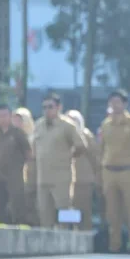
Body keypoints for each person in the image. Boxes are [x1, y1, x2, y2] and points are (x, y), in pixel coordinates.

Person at [99, 90, 130, 252]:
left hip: (129, 171)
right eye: (112, 102)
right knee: (112, 212)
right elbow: (102, 147)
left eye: (118, 102)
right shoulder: (105, 124)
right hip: (109, 172)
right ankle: (115, 244)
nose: (114, 105)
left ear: (125, 104)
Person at [32, 93, 85, 228]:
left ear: (59, 107)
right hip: (43, 177)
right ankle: (47, 243)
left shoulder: (67, 125)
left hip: (62, 177)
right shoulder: (38, 125)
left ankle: (70, 236)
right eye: (44, 107)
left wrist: (67, 157)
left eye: (50, 107)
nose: (47, 110)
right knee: (44, 211)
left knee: (64, 209)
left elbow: (81, 145)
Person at [66, 110, 101, 231]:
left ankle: (85, 234)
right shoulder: (64, 136)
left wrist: (97, 176)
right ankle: (71, 233)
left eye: (74, 120)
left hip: (83, 180)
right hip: (66, 179)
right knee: (68, 209)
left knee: (83, 210)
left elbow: (95, 157)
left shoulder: (86, 135)